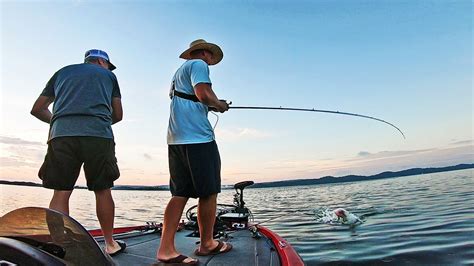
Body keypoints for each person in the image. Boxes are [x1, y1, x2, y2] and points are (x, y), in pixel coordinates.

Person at [30, 49, 126, 256]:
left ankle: (60, 245)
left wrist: (61, 121)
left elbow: (37, 108)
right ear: (102, 61)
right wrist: (96, 121)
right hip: (98, 136)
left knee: (61, 192)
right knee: (103, 190)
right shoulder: (109, 76)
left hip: (62, 136)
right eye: (108, 64)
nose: (109, 68)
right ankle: (110, 244)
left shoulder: (62, 73)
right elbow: (118, 114)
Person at [156, 39, 231, 265]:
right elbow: (203, 94)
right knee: (208, 193)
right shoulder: (198, 65)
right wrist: (218, 104)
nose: (211, 61)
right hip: (198, 138)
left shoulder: (179, 72)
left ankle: (165, 249)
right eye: (211, 57)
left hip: (176, 140)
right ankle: (207, 243)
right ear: (206, 53)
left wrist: (213, 103)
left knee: (180, 193)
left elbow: (193, 100)